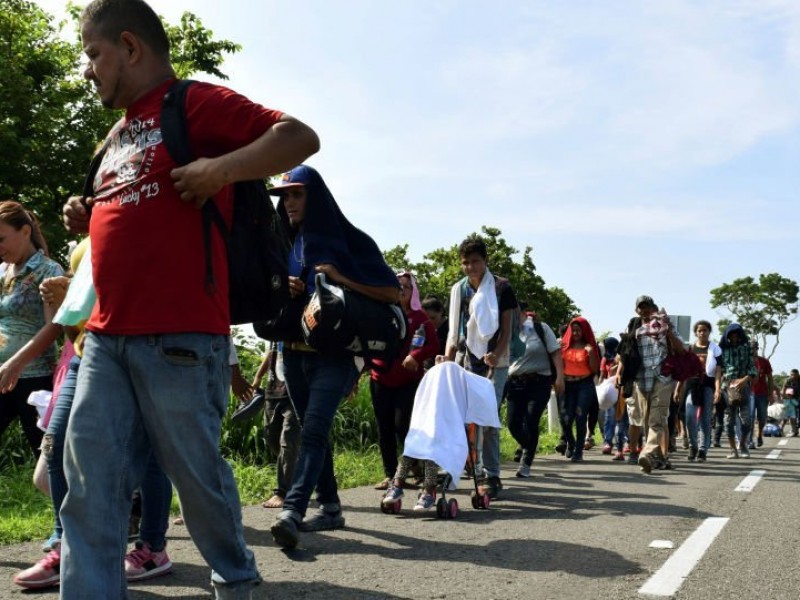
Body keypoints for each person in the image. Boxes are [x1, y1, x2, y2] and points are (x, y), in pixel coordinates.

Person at [58, 1, 319, 598]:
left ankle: (235, 577)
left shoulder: (192, 103)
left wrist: (220, 171)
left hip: (180, 336)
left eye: (93, 54)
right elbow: (126, 206)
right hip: (104, 336)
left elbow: (299, 138)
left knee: (196, 479)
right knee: (90, 482)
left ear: (130, 46)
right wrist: (85, 213)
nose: (87, 70)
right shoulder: (116, 134)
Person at [268, 165, 400, 549]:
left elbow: (392, 293)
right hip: (291, 354)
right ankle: (330, 507)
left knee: (313, 431)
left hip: (334, 357)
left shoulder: (351, 240)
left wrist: (342, 279)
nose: (289, 202)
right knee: (314, 432)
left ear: (316, 196)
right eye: (285, 196)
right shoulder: (283, 243)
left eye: (296, 194)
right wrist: (282, 287)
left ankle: (292, 510)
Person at [442, 235, 518, 500]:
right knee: (464, 417)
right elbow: (454, 332)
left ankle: (492, 474)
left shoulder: (501, 288)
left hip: (496, 360)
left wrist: (496, 354)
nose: (470, 267)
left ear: (485, 261)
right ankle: (465, 468)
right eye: (465, 262)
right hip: (467, 358)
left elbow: (507, 328)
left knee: (488, 417)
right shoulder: (459, 290)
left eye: (475, 261)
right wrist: (447, 362)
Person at [0, 201, 64, 455]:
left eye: (2, 238)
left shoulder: (48, 271)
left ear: (25, 231)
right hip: (3, 376)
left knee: (49, 458)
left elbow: (55, 327)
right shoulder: (2, 271)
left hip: (34, 378)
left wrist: (15, 363)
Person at [370, 271, 439, 490]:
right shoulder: (381, 311)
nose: (401, 290)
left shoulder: (420, 317)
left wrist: (415, 356)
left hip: (408, 381)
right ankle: (391, 475)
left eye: (406, 287)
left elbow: (434, 345)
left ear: (413, 291)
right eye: (397, 285)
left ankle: (416, 466)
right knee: (384, 428)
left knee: (403, 425)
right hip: (380, 377)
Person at [617, 296, 683, 473]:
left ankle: (646, 452)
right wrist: (620, 373)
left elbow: (681, 348)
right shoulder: (633, 326)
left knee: (656, 419)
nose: (645, 311)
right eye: (641, 308)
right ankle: (659, 457)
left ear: (654, 307)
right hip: (641, 380)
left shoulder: (664, 323)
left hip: (662, 378)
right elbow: (626, 352)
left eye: (648, 307)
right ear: (636, 310)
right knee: (646, 422)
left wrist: (667, 330)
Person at [505, 312, 564, 477]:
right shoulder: (507, 332)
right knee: (512, 423)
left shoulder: (541, 328)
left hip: (539, 382)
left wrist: (560, 377)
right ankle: (528, 446)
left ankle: (526, 461)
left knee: (531, 419)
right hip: (515, 382)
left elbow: (555, 353)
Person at [253, 342, 300, 509]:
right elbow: (271, 353)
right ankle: (300, 469)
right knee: (271, 439)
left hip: (295, 391)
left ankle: (282, 492)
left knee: (288, 442)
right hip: (273, 391)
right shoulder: (274, 324)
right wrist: (258, 376)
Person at [558, 317, 600, 462]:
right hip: (567, 385)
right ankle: (571, 442)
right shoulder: (563, 346)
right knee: (565, 418)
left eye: (578, 330)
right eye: (573, 330)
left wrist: (591, 353)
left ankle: (578, 452)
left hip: (584, 385)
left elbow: (595, 369)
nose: (575, 333)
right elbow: (557, 364)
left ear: (584, 331)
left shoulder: (589, 347)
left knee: (581, 417)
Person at [715, 323, 757, 458]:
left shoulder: (747, 348)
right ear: (727, 335)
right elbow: (718, 369)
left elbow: (752, 368)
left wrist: (744, 380)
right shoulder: (722, 349)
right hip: (727, 387)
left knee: (746, 420)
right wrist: (718, 388)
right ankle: (733, 449)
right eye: (731, 334)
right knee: (729, 420)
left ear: (740, 335)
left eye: (736, 334)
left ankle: (743, 444)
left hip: (744, 386)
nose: (734, 336)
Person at [683, 320, 720, 462]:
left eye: (705, 330)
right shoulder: (691, 349)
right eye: (699, 330)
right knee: (690, 416)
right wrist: (679, 389)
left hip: (708, 386)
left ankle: (703, 450)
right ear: (696, 333)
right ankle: (693, 446)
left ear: (709, 332)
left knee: (705, 419)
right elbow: (684, 370)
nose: (702, 333)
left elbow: (718, 371)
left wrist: (717, 389)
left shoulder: (715, 349)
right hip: (692, 386)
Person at [599, 337, 628, 460]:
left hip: (623, 390)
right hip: (610, 391)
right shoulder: (605, 358)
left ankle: (625, 444)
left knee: (623, 419)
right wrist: (599, 390)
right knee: (609, 418)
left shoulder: (623, 357)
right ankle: (608, 443)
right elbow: (602, 375)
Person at [750, 340, 776, 447]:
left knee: (761, 417)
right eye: (751, 348)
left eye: (754, 348)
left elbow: (770, 378)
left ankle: (759, 435)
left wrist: (770, 394)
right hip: (749, 393)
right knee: (749, 417)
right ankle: (750, 440)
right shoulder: (745, 361)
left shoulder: (764, 361)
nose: (753, 350)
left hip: (762, 394)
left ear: (757, 348)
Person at [421, 295, 448, 370]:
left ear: (441, 312)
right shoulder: (423, 327)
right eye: (426, 319)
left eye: (433, 318)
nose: (430, 322)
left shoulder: (449, 328)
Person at [780, 369, 799, 436]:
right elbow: (782, 391)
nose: (792, 376)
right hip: (787, 410)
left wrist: (792, 399)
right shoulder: (788, 380)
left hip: (797, 398)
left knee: (793, 420)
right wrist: (784, 396)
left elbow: (796, 404)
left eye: (794, 375)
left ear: (797, 375)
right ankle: (780, 430)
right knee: (785, 420)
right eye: (791, 375)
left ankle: (795, 430)